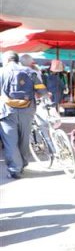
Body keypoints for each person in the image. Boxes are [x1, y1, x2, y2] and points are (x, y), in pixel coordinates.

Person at [0, 51, 44, 179]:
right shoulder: (29, 71)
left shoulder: (1, 72)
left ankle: (15, 169)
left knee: (10, 141)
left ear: (6, 60)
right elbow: (41, 90)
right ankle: (23, 163)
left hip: (6, 111)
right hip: (27, 110)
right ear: (17, 59)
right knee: (24, 139)